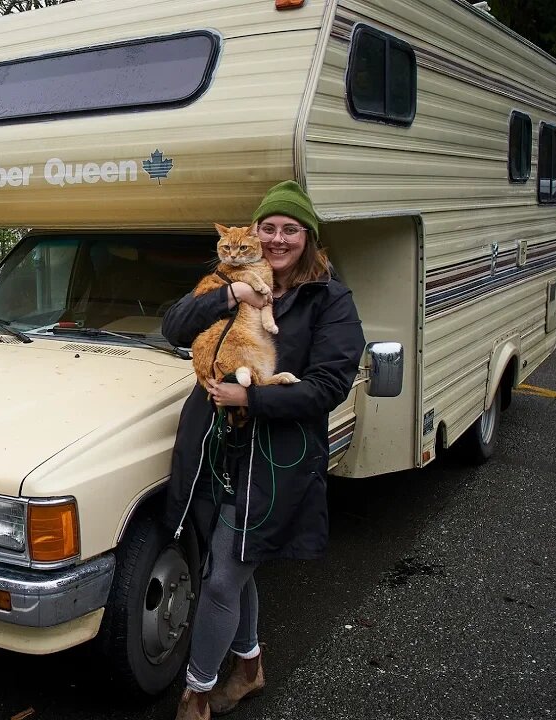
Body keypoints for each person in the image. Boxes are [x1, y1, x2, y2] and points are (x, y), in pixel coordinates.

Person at [163, 181, 365, 719]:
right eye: (268, 228)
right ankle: (249, 667)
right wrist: (233, 295)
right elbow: (174, 326)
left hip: (275, 460)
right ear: (254, 234)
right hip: (216, 446)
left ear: (308, 237)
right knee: (230, 567)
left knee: (225, 576)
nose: (277, 239)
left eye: (289, 229)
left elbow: (328, 386)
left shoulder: (330, 299)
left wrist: (249, 396)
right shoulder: (229, 281)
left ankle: (195, 697)